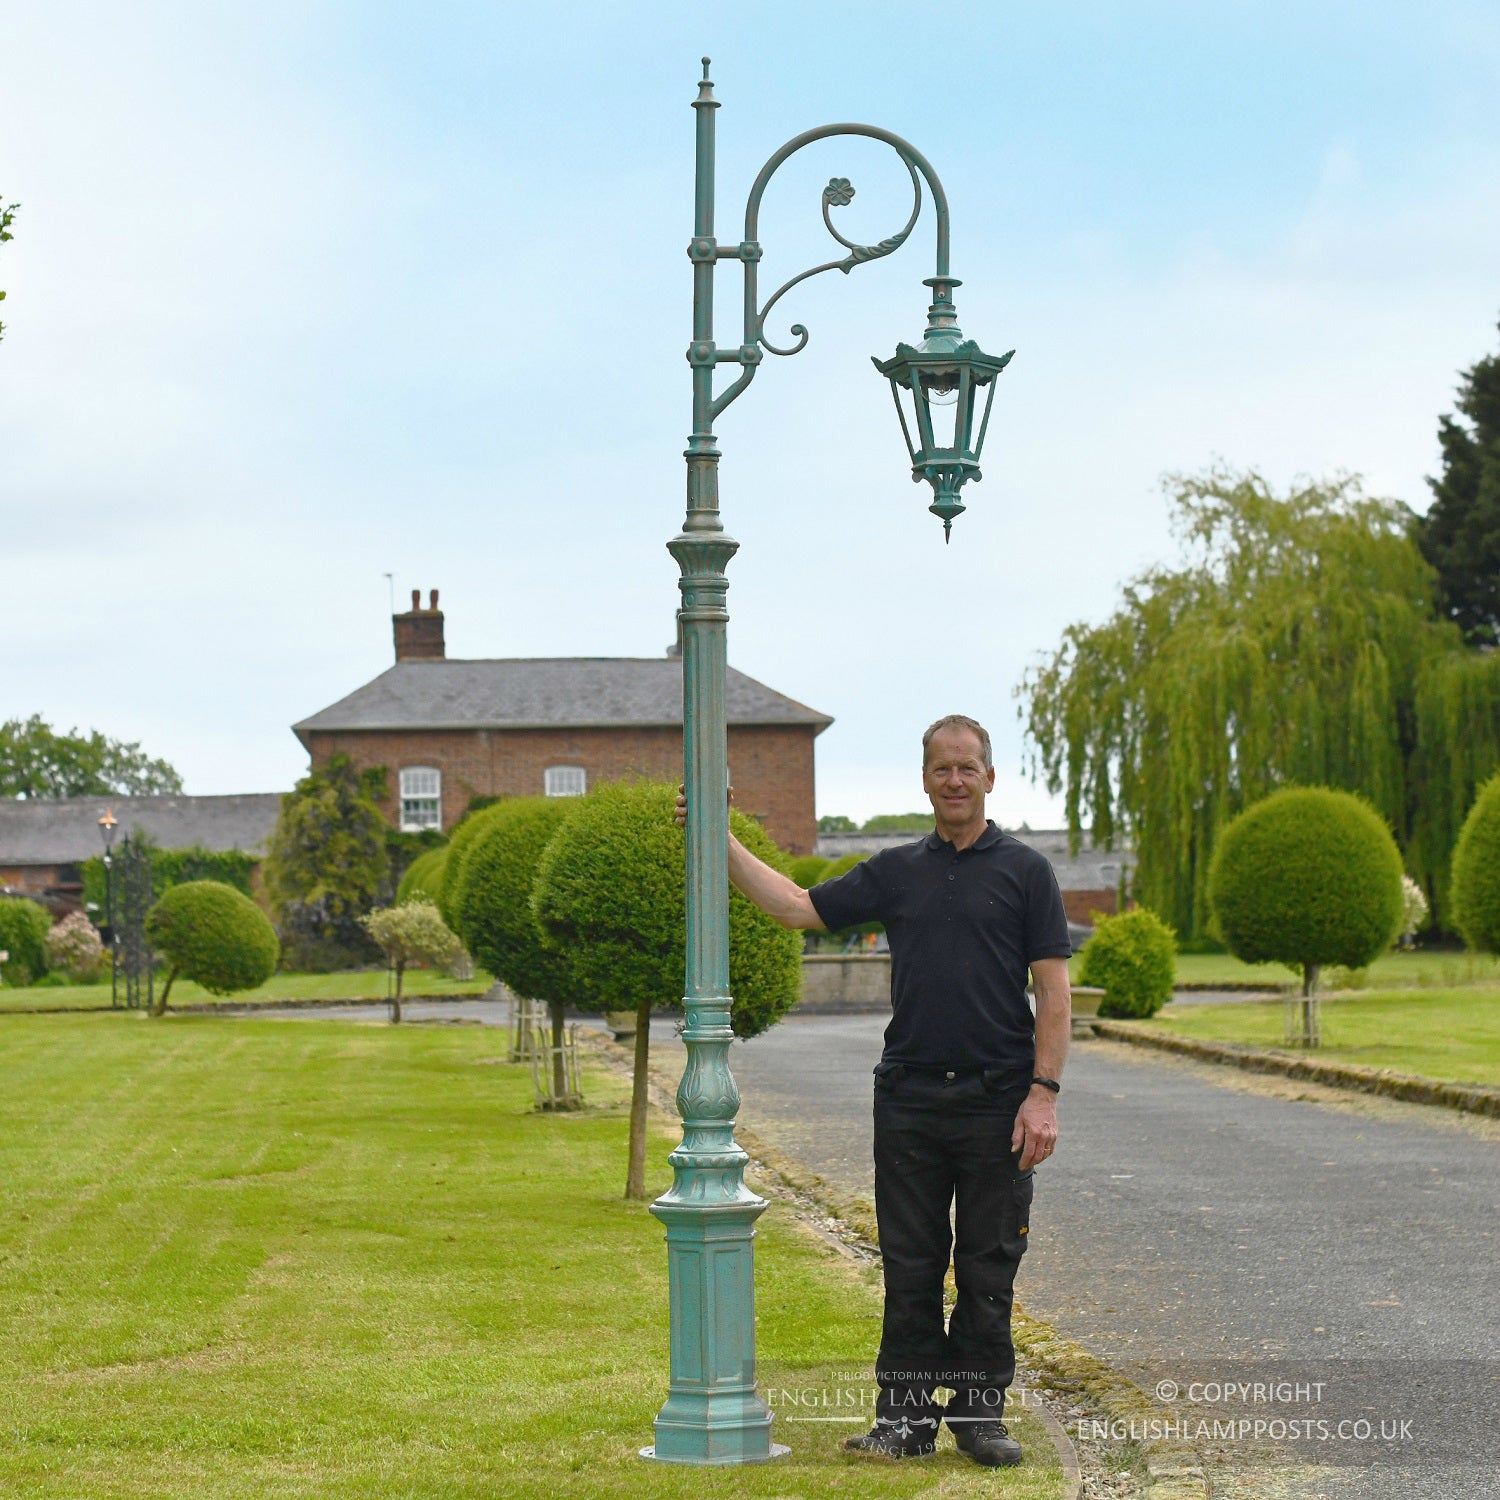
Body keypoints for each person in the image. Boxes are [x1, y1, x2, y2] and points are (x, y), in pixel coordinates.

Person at [683, 713, 1071, 1467]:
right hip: (910, 1101)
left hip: (1000, 1103)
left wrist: (1043, 1092)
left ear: (990, 777)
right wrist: (718, 836)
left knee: (989, 1266)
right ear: (924, 780)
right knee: (912, 1266)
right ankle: (904, 1422)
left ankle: (979, 1418)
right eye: (941, 769)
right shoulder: (896, 871)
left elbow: (1053, 995)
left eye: (968, 768)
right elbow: (796, 907)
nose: (955, 781)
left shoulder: (1027, 872)